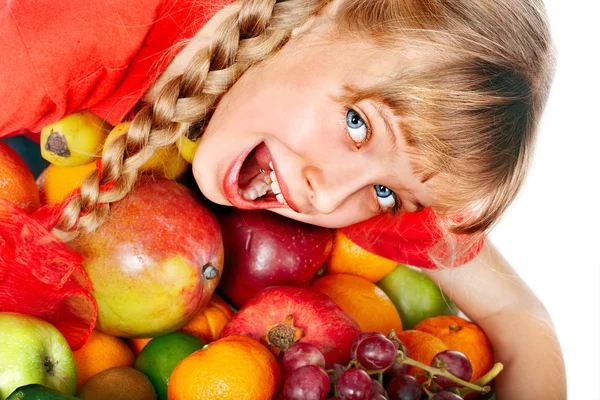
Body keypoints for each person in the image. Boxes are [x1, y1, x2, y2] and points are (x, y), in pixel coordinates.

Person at [0, 0, 566, 398]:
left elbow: (519, 317)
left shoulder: (317, 155)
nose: (329, 195)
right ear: (323, 12)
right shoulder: (66, 30)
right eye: (357, 123)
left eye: (386, 192)